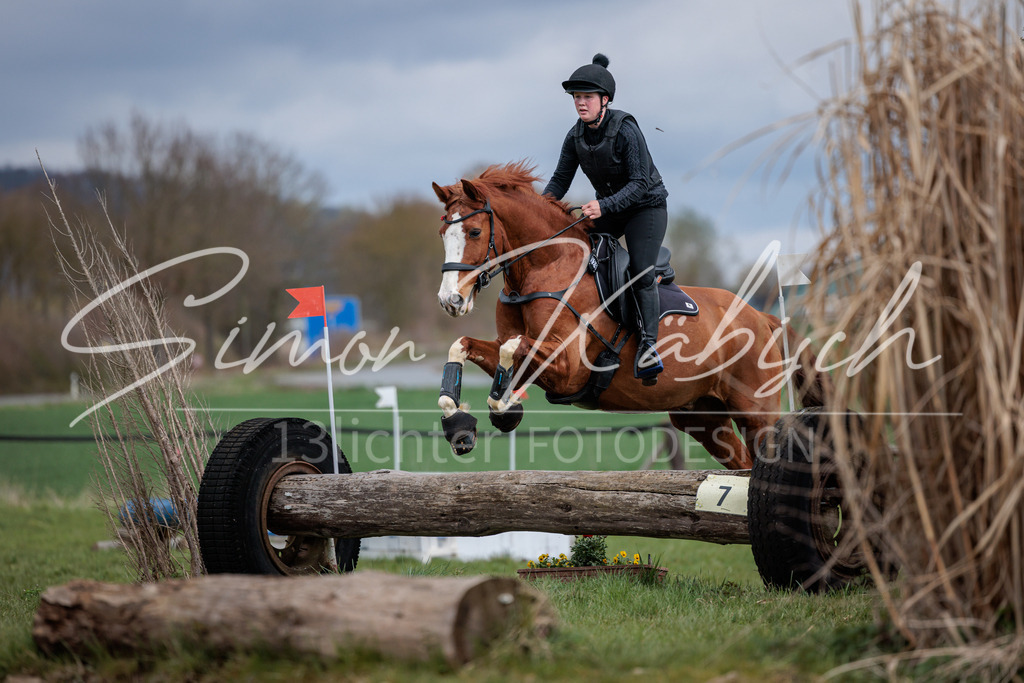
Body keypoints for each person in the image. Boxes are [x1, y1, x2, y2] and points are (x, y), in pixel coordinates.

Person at [543, 53, 669, 384]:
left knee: (640, 271)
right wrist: (538, 209)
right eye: (576, 97)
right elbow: (559, 181)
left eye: (587, 97)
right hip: (610, 209)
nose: (580, 103)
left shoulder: (626, 129)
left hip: (646, 208)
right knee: (574, 251)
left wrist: (604, 205)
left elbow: (640, 184)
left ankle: (649, 347)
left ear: (605, 100)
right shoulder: (575, 136)